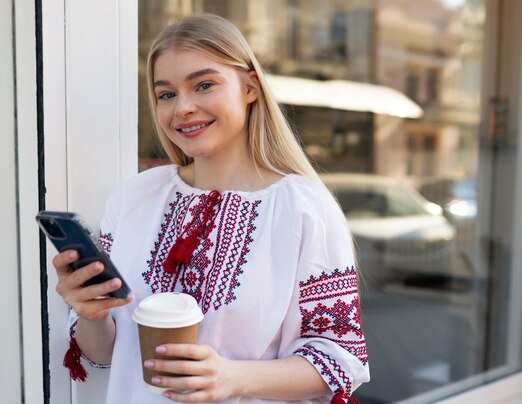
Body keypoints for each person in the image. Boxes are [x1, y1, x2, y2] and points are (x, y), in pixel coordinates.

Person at [53, 13, 369, 404]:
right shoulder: (133, 198)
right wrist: (90, 312)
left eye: (203, 85)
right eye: (166, 94)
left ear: (250, 87)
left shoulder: (303, 209)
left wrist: (234, 377)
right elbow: (101, 355)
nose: (183, 107)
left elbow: (342, 359)